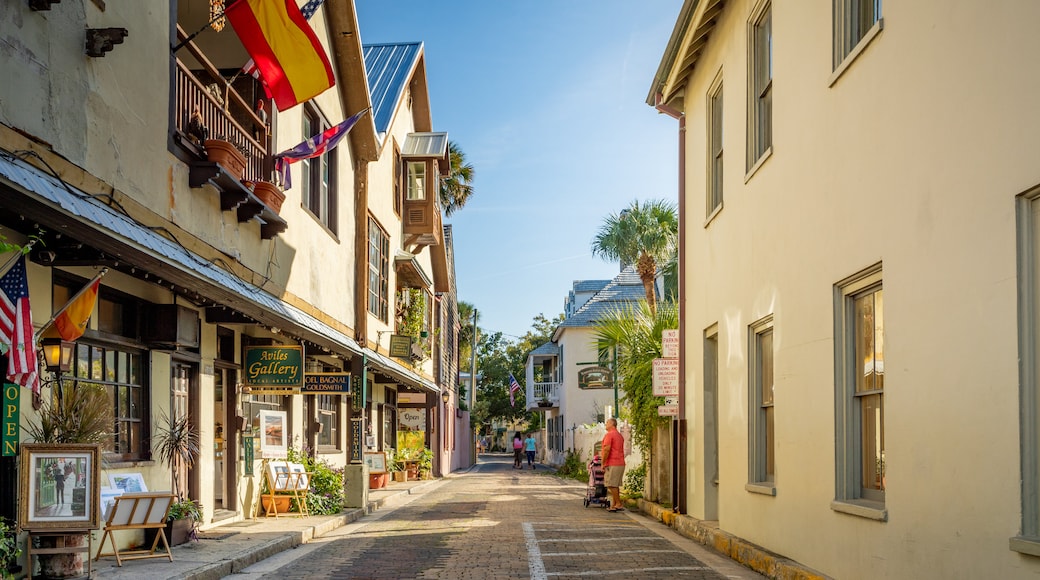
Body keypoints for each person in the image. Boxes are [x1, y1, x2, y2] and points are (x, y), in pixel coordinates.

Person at [600, 418, 626, 512]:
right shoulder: (619, 435)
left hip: (613, 462)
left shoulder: (609, 435)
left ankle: (618, 503)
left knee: (610, 484)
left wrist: (603, 463)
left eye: (607, 422)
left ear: (612, 424)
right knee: (615, 485)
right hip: (620, 462)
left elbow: (607, 449)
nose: (605, 424)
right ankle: (615, 504)